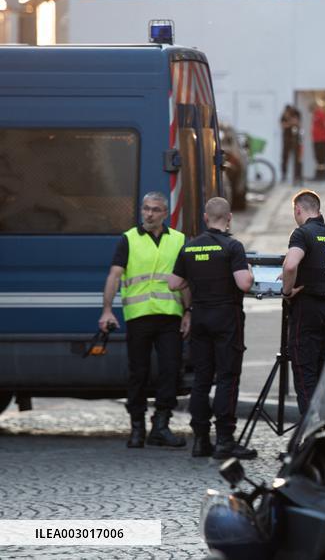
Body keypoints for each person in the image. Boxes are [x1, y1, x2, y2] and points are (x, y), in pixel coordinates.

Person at [98, 191, 189, 449]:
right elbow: (114, 276)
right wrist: (107, 310)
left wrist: (189, 312)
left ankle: (161, 426)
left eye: (155, 210)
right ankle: (137, 427)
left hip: (170, 317)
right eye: (145, 209)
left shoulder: (178, 240)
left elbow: (184, 280)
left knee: (170, 371)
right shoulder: (129, 239)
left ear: (165, 213)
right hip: (139, 317)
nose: (149, 214)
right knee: (138, 372)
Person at [168, 197, 256, 460]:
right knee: (228, 378)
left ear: (206, 218)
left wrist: (195, 280)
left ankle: (201, 440)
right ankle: (225, 441)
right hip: (227, 318)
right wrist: (248, 269)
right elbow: (244, 284)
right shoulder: (233, 246)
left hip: (200, 318)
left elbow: (173, 283)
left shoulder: (190, 247)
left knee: (202, 381)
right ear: (228, 218)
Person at [281, 190, 325, 414]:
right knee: (324, 376)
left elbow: (290, 265)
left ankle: (308, 437)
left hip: (306, 310)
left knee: (305, 375)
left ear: (298, 209)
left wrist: (288, 290)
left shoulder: (302, 233)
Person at [280, 104, 303, 184]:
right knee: (285, 157)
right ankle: (284, 174)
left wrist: (290, 122)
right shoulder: (283, 116)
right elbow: (283, 125)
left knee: (297, 159)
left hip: (295, 140)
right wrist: (291, 122)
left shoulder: (296, 113)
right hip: (287, 139)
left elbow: (297, 123)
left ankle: (298, 177)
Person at [311, 101, 325, 181]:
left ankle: (322, 175)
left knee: (322, 158)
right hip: (316, 139)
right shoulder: (315, 114)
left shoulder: (321, 114)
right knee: (317, 158)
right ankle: (318, 174)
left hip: (322, 139)